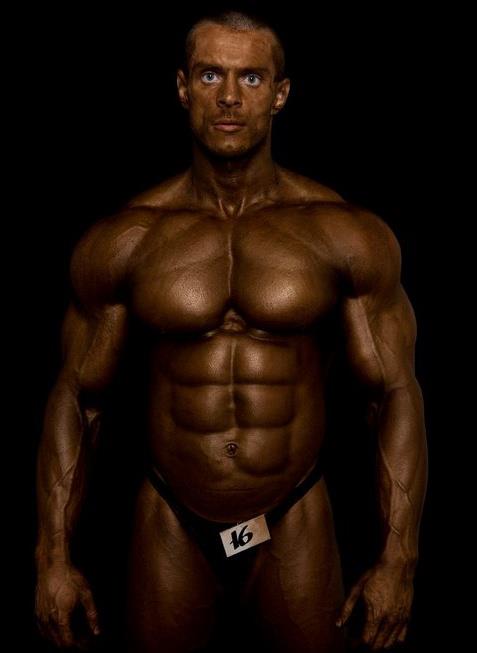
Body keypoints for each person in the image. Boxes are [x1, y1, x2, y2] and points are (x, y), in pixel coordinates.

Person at [34, 9, 428, 653]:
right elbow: (78, 399)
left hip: (292, 514)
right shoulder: (127, 239)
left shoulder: (344, 233)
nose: (228, 97)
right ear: (182, 87)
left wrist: (399, 561)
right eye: (210, 74)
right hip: (171, 516)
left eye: (251, 77)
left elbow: (394, 394)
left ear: (280, 94)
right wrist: (52, 557)